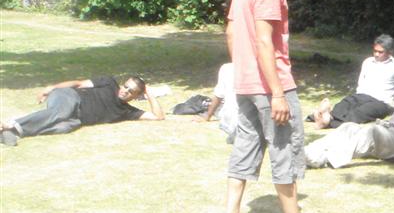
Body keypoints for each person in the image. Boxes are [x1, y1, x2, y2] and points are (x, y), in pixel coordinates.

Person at [219, 0, 332, 213]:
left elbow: (231, 31)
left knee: (245, 148)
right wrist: (278, 93)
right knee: (284, 149)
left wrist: (241, 72)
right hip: (271, 85)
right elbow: (265, 42)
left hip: (246, 84)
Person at [1, 75, 164, 145]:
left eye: (130, 91)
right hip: (68, 96)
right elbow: (78, 84)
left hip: (76, 118)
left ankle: (13, 133)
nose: (124, 90)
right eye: (125, 86)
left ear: (136, 96)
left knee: (67, 126)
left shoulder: (127, 111)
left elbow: (158, 117)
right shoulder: (108, 82)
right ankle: (10, 125)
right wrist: (51, 88)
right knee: (62, 113)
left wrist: (149, 93)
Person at [311, 34, 394, 128]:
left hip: (381, 102)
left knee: (359, 113)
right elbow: (361, 82)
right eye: (375, 51)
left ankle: (326, 119)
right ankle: (327, 116)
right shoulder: (368, 62)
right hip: (361, 96)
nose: (376, 54)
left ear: (390, 52)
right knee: (343, 105)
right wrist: (357, 97)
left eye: (380, 52)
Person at [194, 62, 238, 143]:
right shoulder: (228, 68)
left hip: (230, 121)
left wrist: (207, 116)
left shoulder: (227, 68)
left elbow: (218, 96)